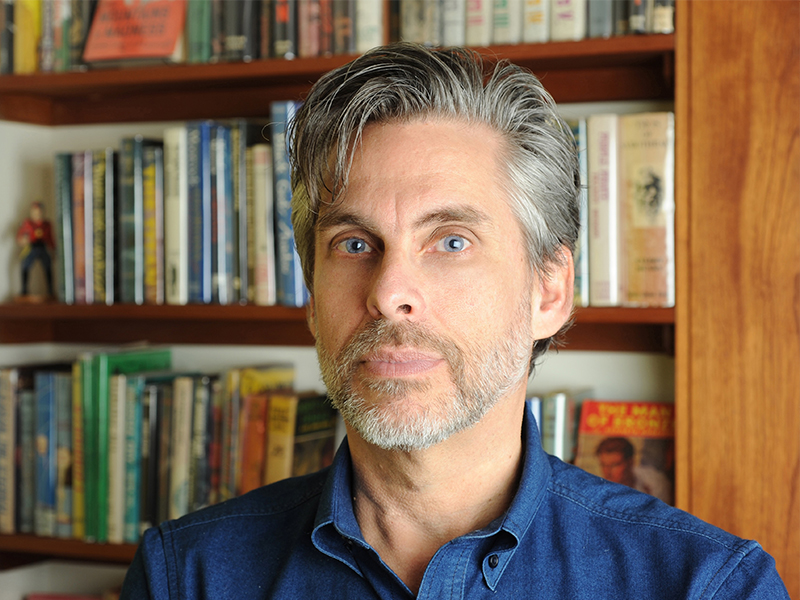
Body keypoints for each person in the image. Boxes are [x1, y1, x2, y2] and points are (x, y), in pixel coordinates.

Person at [120, 44, 788, 599]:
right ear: (311, 299)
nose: (388, 293)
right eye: (354, 244)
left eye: (452, 241)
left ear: (549, 290)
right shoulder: (186, 575)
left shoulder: (706, 586)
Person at [595, 436, 672, 504]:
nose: (607, 472)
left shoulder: (655, 483)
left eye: (614, 465)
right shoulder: (597, 494)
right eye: (603, 465)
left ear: (630, 463)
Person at [16, 201, 55, 298]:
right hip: (32, 247)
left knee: (48, 266)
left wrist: (53, 249)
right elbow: (20, 236)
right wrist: (22, 240)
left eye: (39, 212)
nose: (37, 214)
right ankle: (24, 290)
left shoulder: (46, 224)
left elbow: (50, 238)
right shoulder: (27, 223)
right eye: (35, 212)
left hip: (42, 247)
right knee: (25, 265)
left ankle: (50, 289)